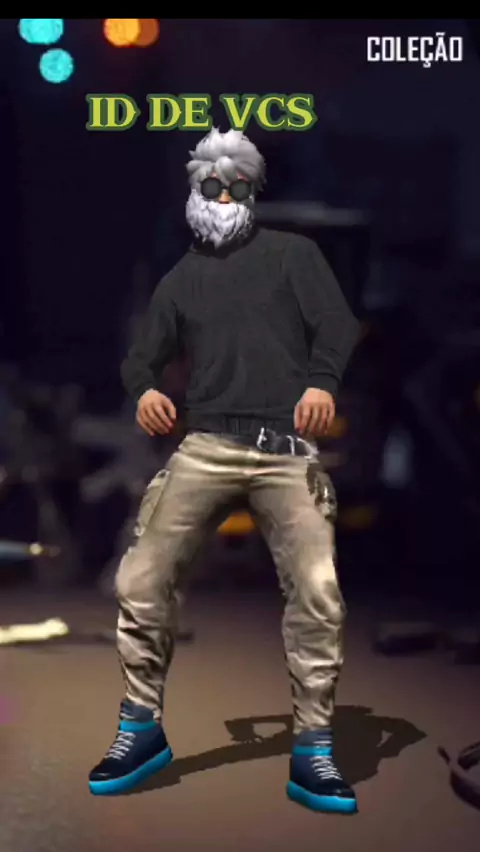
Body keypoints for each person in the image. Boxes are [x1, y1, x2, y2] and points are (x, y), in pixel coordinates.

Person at [88, 128, 360, 814]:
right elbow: (141, 358)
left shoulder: (294, 257)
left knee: (318, 590)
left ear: (253, 191)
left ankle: (314, 746)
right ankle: (140, 728)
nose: (224, 195)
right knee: (141, 577)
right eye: (212, 184)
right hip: (208, 444)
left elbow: (337, 325)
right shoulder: (183, 278)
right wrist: (144, 389)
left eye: (237, 185)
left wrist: (322, 380)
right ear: (195, 191)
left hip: (286, 448)